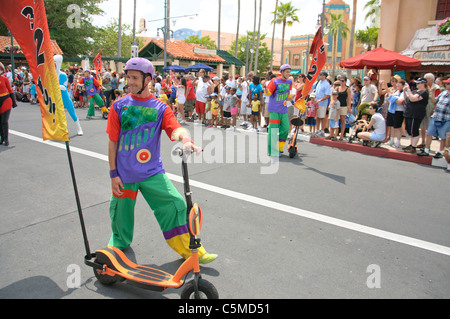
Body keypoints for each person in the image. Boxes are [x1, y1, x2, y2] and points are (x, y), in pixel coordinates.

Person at [106, 57, 217, 263]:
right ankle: (117, 248)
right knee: (120, 214)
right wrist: (113, 174)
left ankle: (191, 250)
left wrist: (186, 140)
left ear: (147, 79)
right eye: (128, 77)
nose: (129, 82)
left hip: (151, 173)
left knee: (176, 204)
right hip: (124, 174)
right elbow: (113, 143)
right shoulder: (118, 106)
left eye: (135, 78)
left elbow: (174, 127)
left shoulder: (160, 108)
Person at [264, 64, 293, 156]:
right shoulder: (274, 81)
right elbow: (268, 93)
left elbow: (287, 95)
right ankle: (272, 151)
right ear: (282, 72)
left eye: (289, 72)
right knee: (273, 131)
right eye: (287, 72)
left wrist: (291, 98)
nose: (289, 74)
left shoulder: (289, 82)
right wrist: (265, 89)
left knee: (286, 129)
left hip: (283, 110)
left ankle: (279, 147)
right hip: (274, 110)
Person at [417, 78, 450, 158]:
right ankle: (426, 150)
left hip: (446, 118)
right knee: (429, 133)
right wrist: (432, 92)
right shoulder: (443, 93)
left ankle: (441, 151)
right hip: (435, 116)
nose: (446, 85)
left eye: (448, 84)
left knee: (443, 136)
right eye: (446, 83)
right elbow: (434, 101)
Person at [54, 55, 83, 136]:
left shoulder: (62, 75)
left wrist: (56, 86)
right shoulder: (51, 75)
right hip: (55, 97)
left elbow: (64, 87)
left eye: (54, 63)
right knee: (56, 114)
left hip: (64, 96)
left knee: (72, 112)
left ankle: (79, 128)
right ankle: (57, 130)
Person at [402, 78, 429, 153]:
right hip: (409, 112)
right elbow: (406, 98)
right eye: (416, 83)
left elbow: (413, 99)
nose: (417, 85)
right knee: (409, 129)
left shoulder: (424, 92)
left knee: (414, 129)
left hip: (416, 114)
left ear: (423, 83)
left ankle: (413, 146)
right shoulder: (414, 91)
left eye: (418, 83)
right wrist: (405, 91)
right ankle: (411, 144)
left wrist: (408, 90)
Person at [0, 62, 17, 146]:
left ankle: (6, 139)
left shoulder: (4, 79)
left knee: (4, 120)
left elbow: (10, 90)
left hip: (5, 99)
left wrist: (14, 102)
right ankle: (1, 138)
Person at [385, 80, 406, 148]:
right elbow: (389, 98)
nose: (397, 86)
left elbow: (400, 101)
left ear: (403, 86)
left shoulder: (403, 93)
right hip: (391, 110)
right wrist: (392, 97)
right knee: (391, 126)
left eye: (399, 85)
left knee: (397, 127)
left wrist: (393, 98)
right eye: (397, 85)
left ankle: (398, 142)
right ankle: (391, 140)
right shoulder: (395, 92)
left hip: (398, 111)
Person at [313, 71, 332, 137]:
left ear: (324, 76)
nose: (320, 76)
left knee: (322, 117)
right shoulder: (318, 82)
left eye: (321, 75)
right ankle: (317, 129)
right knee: (317, 117)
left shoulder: (327, 84)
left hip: (322, 103)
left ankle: (322, 130)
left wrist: (319, 100)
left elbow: (327, 95)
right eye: (319, 74)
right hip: (316, 102)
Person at [337, 75, 351, 140]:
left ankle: (341, 134)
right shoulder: (337, 88)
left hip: (344, 106)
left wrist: (349, 107)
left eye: (343, 81)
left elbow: (349, 99)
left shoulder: (347, 89)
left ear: (345, 81)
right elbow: (333, 96)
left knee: (342, 120)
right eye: (340, 80)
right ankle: (336, 133)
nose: (341, 82)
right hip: (337, 106)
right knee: (336, 120)